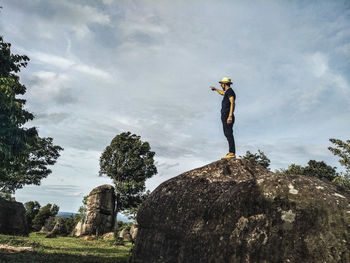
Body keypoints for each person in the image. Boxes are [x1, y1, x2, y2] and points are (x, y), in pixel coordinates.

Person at [210, 77, 236, 159]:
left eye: (221, 84)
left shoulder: (230, 91)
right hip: (225, 114)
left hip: (227, 115)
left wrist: (230, 116)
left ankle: (232, 153)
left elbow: (232, 103)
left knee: (228, 133)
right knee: (227, 133)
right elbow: (222, 93)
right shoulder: (228, 92)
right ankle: (231, 152)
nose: (221, 85)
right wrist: (215, 89)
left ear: (224, 84)